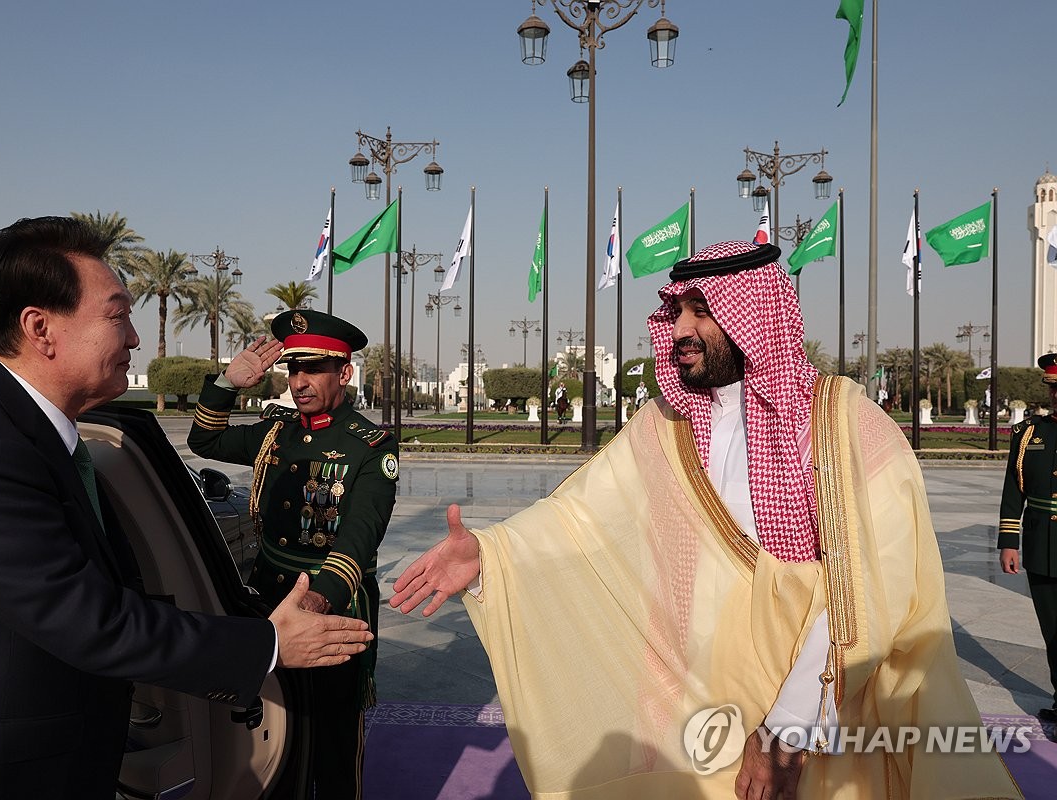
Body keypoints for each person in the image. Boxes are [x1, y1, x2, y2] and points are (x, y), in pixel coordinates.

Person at [390, 241, 1020, 799]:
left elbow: (864, 586)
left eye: (702, 310)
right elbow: (579, 520)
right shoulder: (668, 424)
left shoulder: (844, 423)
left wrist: (788, 730)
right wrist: (490, 553)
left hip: (819, 706)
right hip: (695, 703)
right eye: (676, 311)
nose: (680, 329)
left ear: (756, 314)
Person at [0, 217, 371, 800]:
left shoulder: (36, 437)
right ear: (40, 328)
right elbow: (90, 619)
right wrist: (269, 645)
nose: (132, 338)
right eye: (117, 314)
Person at [188, 308, 397, 799]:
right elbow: (205, 438)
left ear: (343, 373)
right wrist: (228, 381)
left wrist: (312, 606)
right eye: (293, 370)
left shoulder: (369, 446)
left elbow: (355, 545)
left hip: (331, 608)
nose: (299, 382)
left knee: (334, 743)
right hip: (268, 597)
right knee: (275, 733)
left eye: (313, 370)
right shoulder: (276, 432)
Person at [999, 352, 1057, 722]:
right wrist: (1009, 541)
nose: (1056, 395)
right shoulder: (1029, 433)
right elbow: (1012, 490)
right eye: (1053, 389)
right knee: (1052, 630)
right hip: (1042, 547)